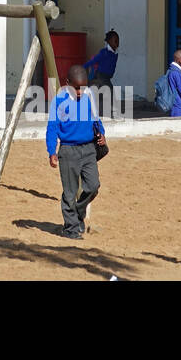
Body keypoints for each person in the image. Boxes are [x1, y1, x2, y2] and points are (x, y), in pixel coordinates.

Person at [46, 64, 107, 240]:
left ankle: (77, 214)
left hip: (88, 149)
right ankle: (71, 228)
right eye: (76, 88)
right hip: (68, 151)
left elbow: (96, 119)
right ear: (67, 83)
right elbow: (52, 128)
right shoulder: (59, 101)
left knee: (93, 186)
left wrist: (102, 135)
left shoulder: (89, 97)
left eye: (83, 87)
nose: (80, 91)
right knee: (70, 192)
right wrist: (52, 151)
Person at [85, 29, 119, 116]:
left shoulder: (114, 53)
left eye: (118, 41)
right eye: (115, 41)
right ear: (109, 41)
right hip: (100, 76)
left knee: (97, 95)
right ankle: (113, 113)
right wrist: (83, 67)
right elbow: (93, 61)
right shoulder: (104, 52)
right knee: (109, 91)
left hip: (105, 77)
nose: (117, 43)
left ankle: (92, 112)